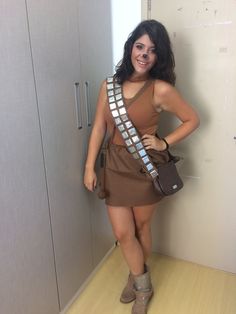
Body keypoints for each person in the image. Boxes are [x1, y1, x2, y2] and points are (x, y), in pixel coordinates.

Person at [84, 19, 199, 314]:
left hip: (144, 169)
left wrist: (164, 142)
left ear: (158, 56)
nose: (144, 54)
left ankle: (139, 283)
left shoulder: (160, 89)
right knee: (123, 234)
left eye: (152, 49)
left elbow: (192, 119)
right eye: (140, 46)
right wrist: (89, 166)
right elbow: (98, 126)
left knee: (140, 227)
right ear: (130, 47)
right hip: (115, 166)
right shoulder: (108, 86)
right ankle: (141, 278)